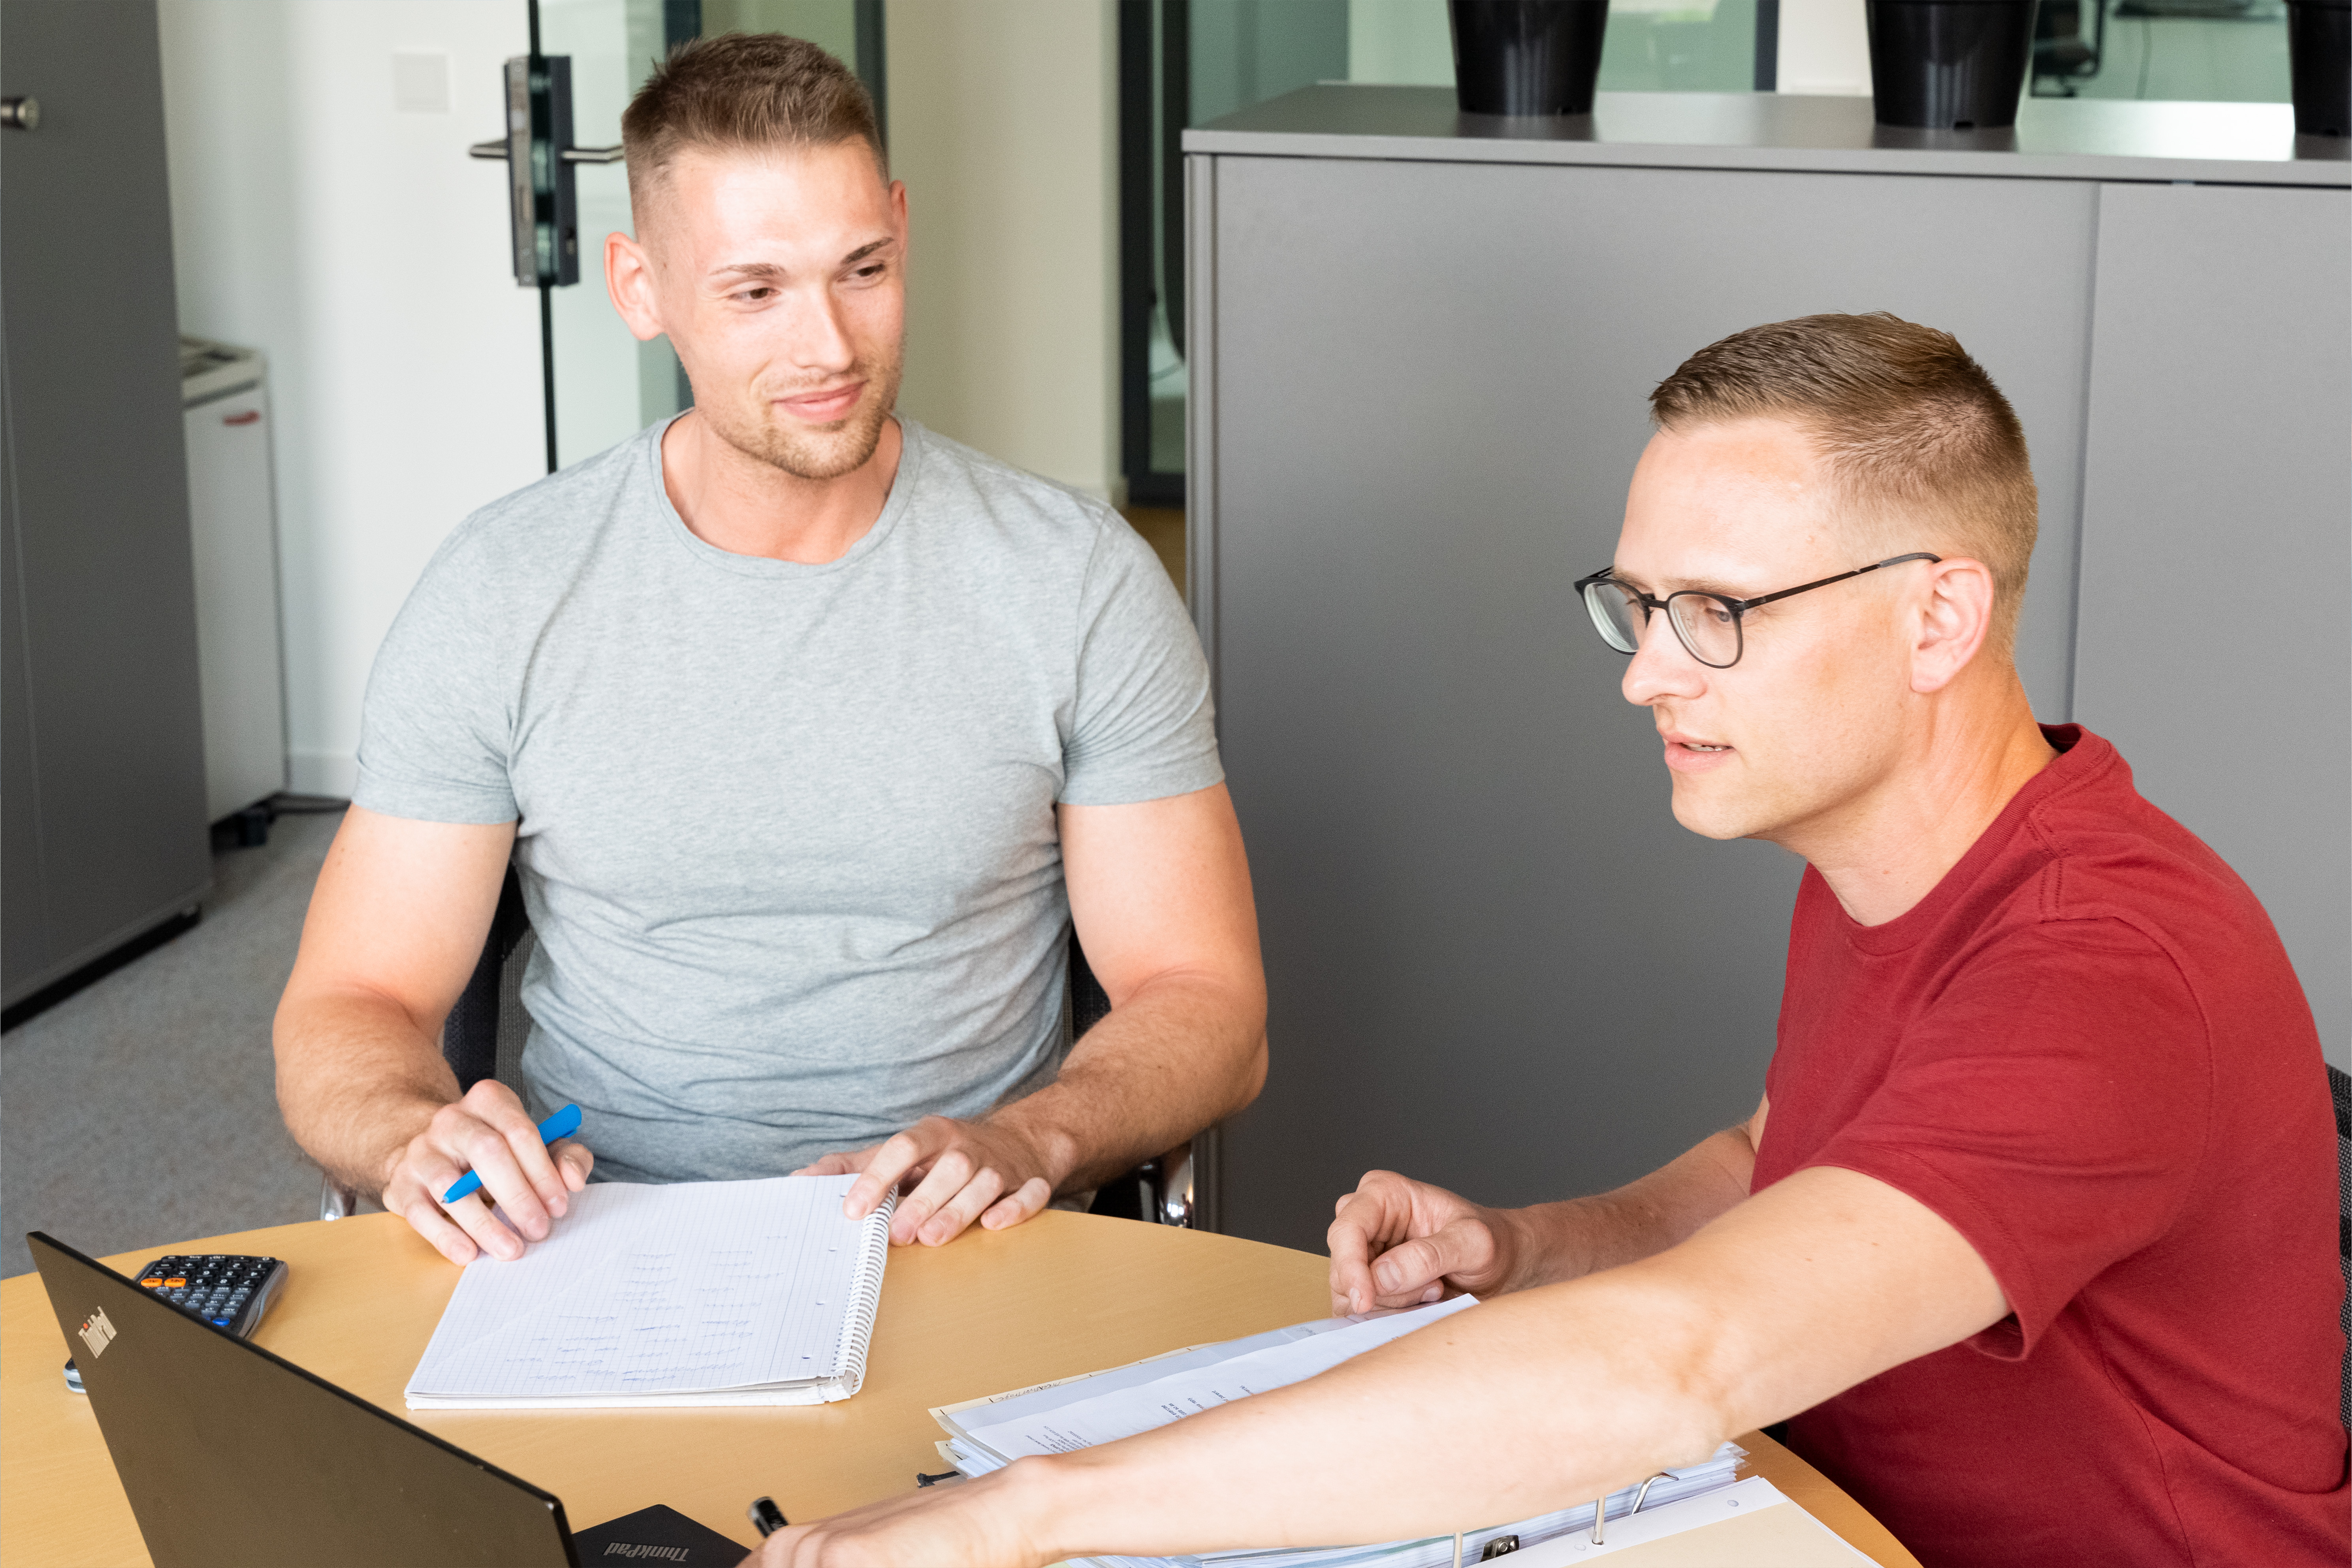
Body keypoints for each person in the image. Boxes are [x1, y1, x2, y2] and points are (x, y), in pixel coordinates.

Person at [747, 314, 2347, 1568]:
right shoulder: (1894, 857)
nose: (1649, 675)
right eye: (1636, 607)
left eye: (1716, 612)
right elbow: (1783, 1163)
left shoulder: (2102, 967)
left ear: (1935, 619)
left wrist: (1022, 1512)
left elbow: (1679, 1363)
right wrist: (1526, 1249)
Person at [273, 34, 1265, 1270]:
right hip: (598, 1233)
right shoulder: (503, 589)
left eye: (863, 269)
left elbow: (1207, 1000)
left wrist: (1035, 1138)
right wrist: (408, 1132)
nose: (831, 348)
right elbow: (352, 1001)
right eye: (756, 291)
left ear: (901, 229)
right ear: (639, 289)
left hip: (966, 1234)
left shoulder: (1074, 579)